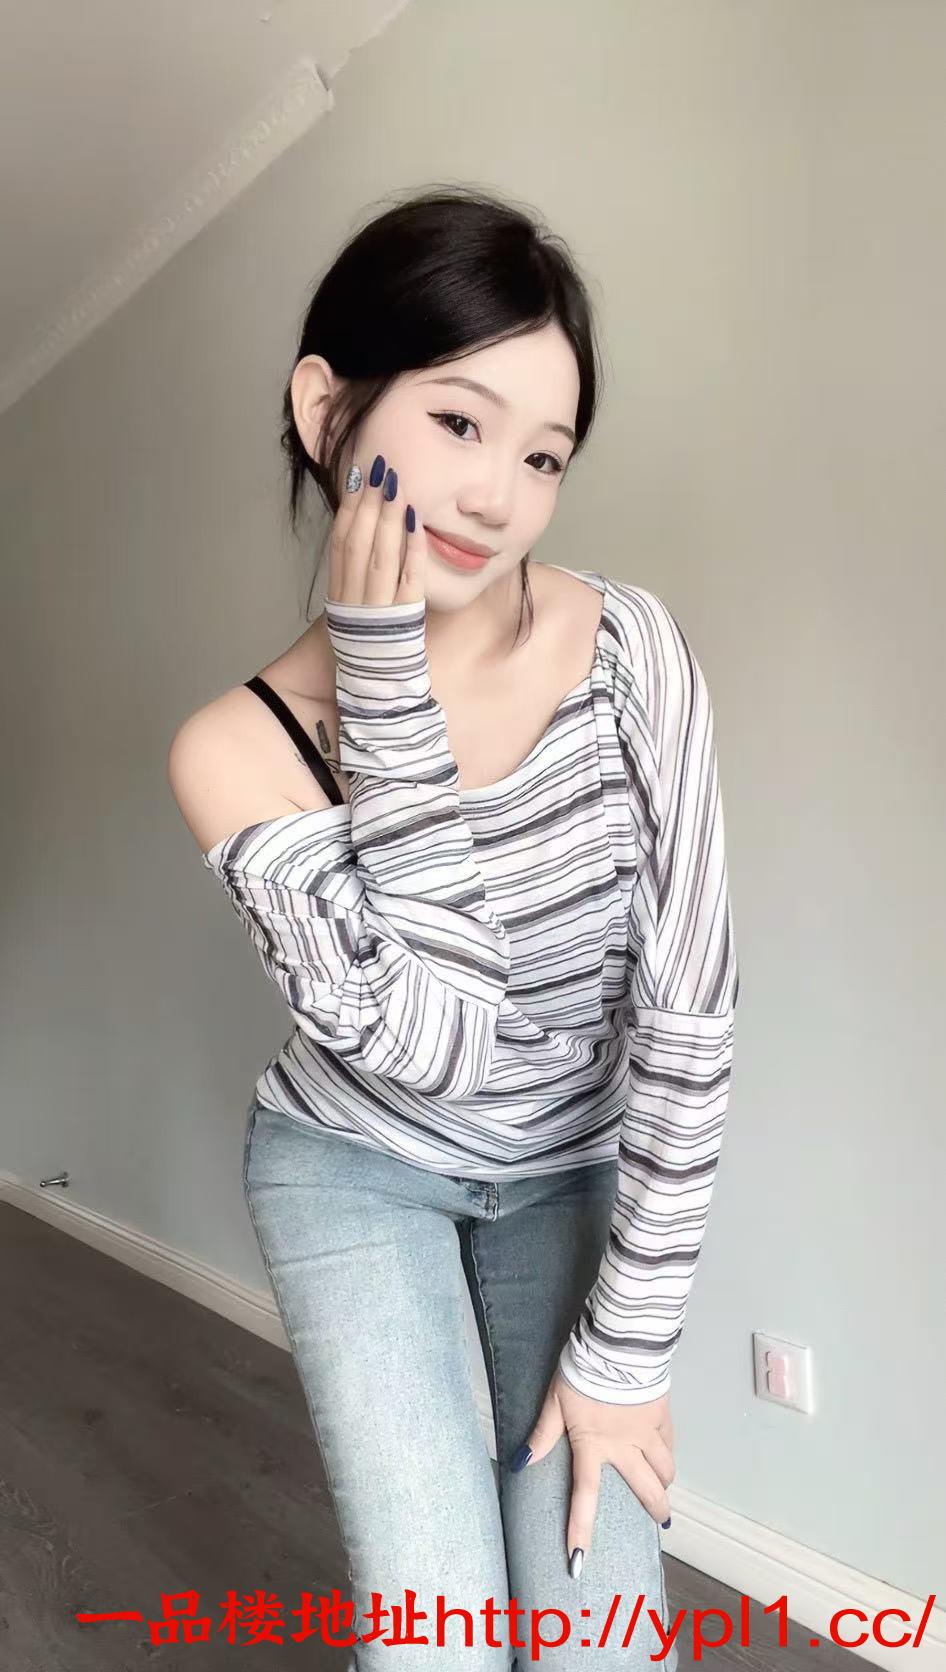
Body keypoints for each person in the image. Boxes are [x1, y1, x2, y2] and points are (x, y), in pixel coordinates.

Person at [167, 185, 739, 1670]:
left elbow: (688, 1024)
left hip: (570, 1171)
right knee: (438, 1643)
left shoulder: (631, 650)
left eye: (543, 455)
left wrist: (625, 1356)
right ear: (327, 410)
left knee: (601, 1642)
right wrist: (385, 689)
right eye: (459, 423)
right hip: (356, 1168)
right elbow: (447, 1045)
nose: (499, 498)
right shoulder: (234, 751)